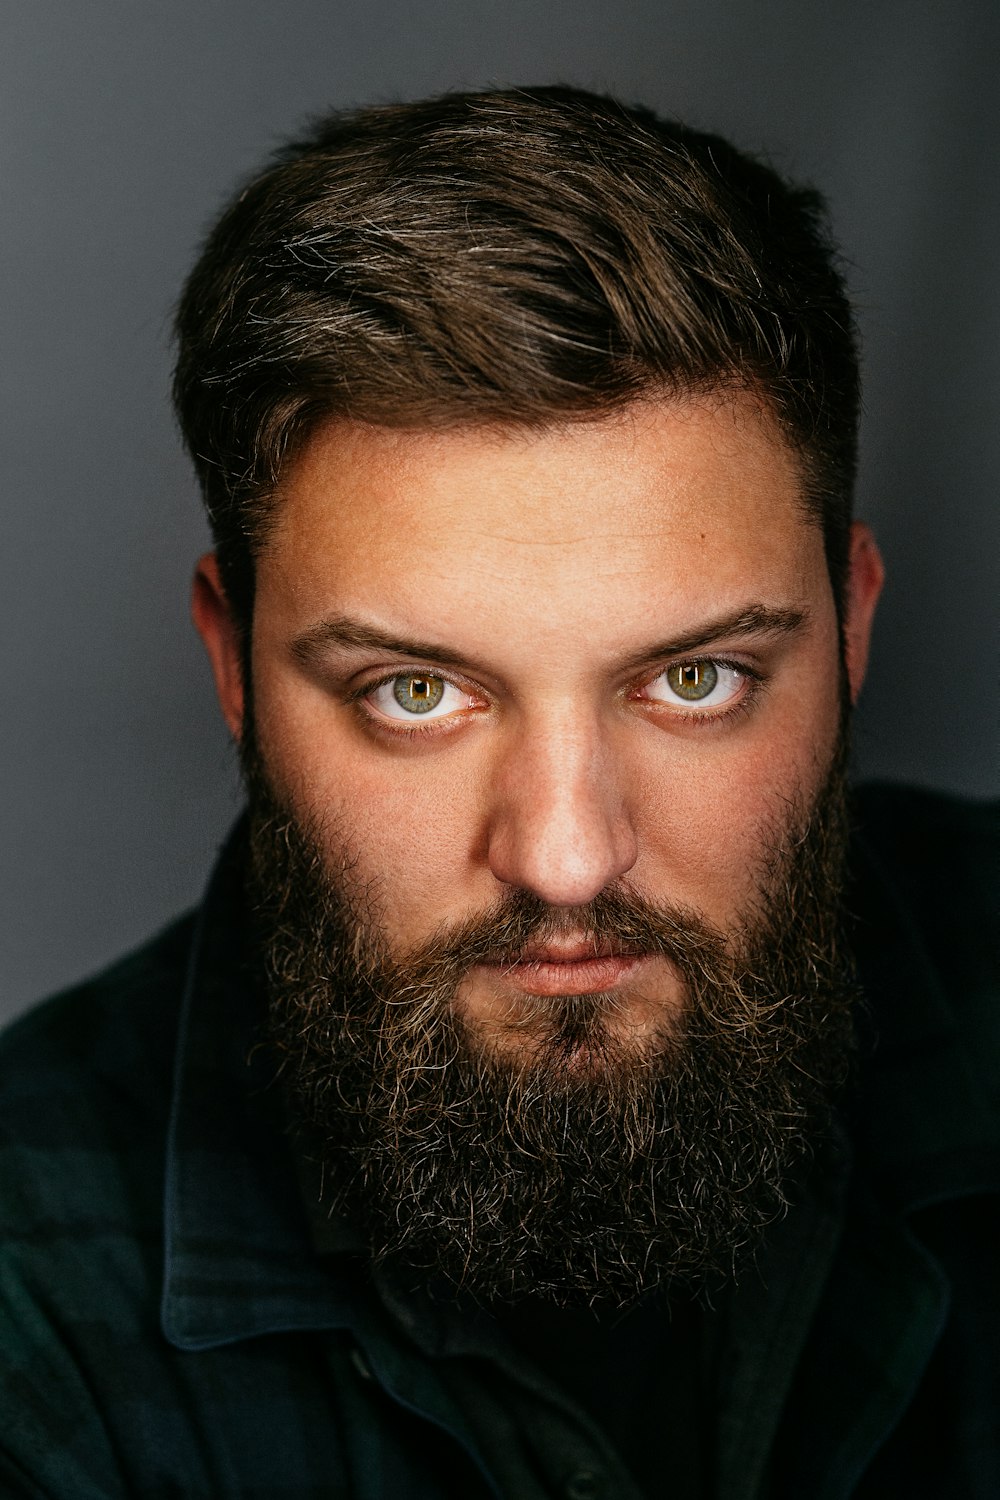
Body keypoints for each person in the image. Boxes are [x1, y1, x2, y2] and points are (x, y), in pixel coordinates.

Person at [0, 85, 996, 1500]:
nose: (569, 857)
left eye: (696, 681)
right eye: (418, 692)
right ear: (233, 665)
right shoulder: (29, 1313)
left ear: (851, 629)